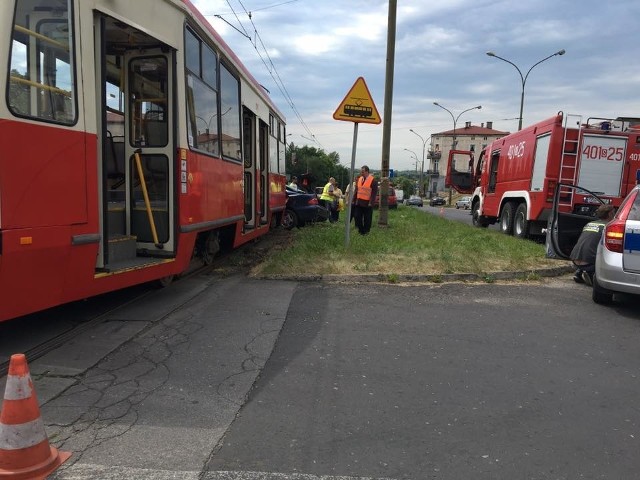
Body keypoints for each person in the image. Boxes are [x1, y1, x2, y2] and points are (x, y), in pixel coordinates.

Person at [570, 204, 615, 285]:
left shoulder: (589, 224)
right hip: (590, 262)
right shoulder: (608, 227)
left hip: (575, 259)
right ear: (610, 214)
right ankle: (591, 275)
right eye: (614, 212)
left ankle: (580, 272)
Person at [353, 165, 378, 235]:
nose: (361, 173)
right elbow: (357, 190)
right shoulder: (360, 179)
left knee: (367, 219)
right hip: (359, 202)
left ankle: (366, 232)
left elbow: (374, 193)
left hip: (367, 203)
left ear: (367, 172)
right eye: (361, 171)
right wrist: (353, 200)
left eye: (363, 172)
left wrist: (371, 202)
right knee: (357, 216)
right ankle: (361, 231)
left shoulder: (373, 180)